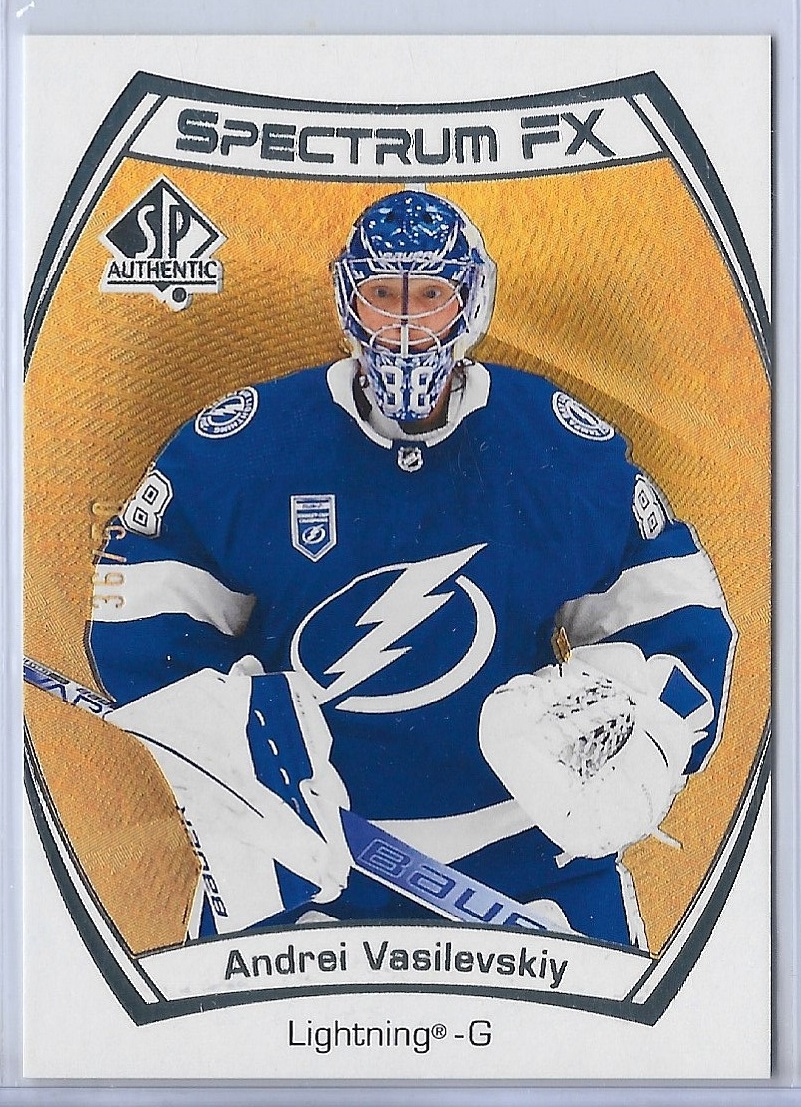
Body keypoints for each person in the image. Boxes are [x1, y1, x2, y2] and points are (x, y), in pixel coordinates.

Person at [88, 190, 735, 949]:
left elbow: (673, 611)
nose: (402, 325)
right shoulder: (248, 444)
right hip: (302, 853)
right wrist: (238, 742)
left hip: (532, 859)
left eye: (428, 296)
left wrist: (640, 728)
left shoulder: (555, 447)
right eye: (382, 295)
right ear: (348, 299)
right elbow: (143, 608)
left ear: (470, 302)